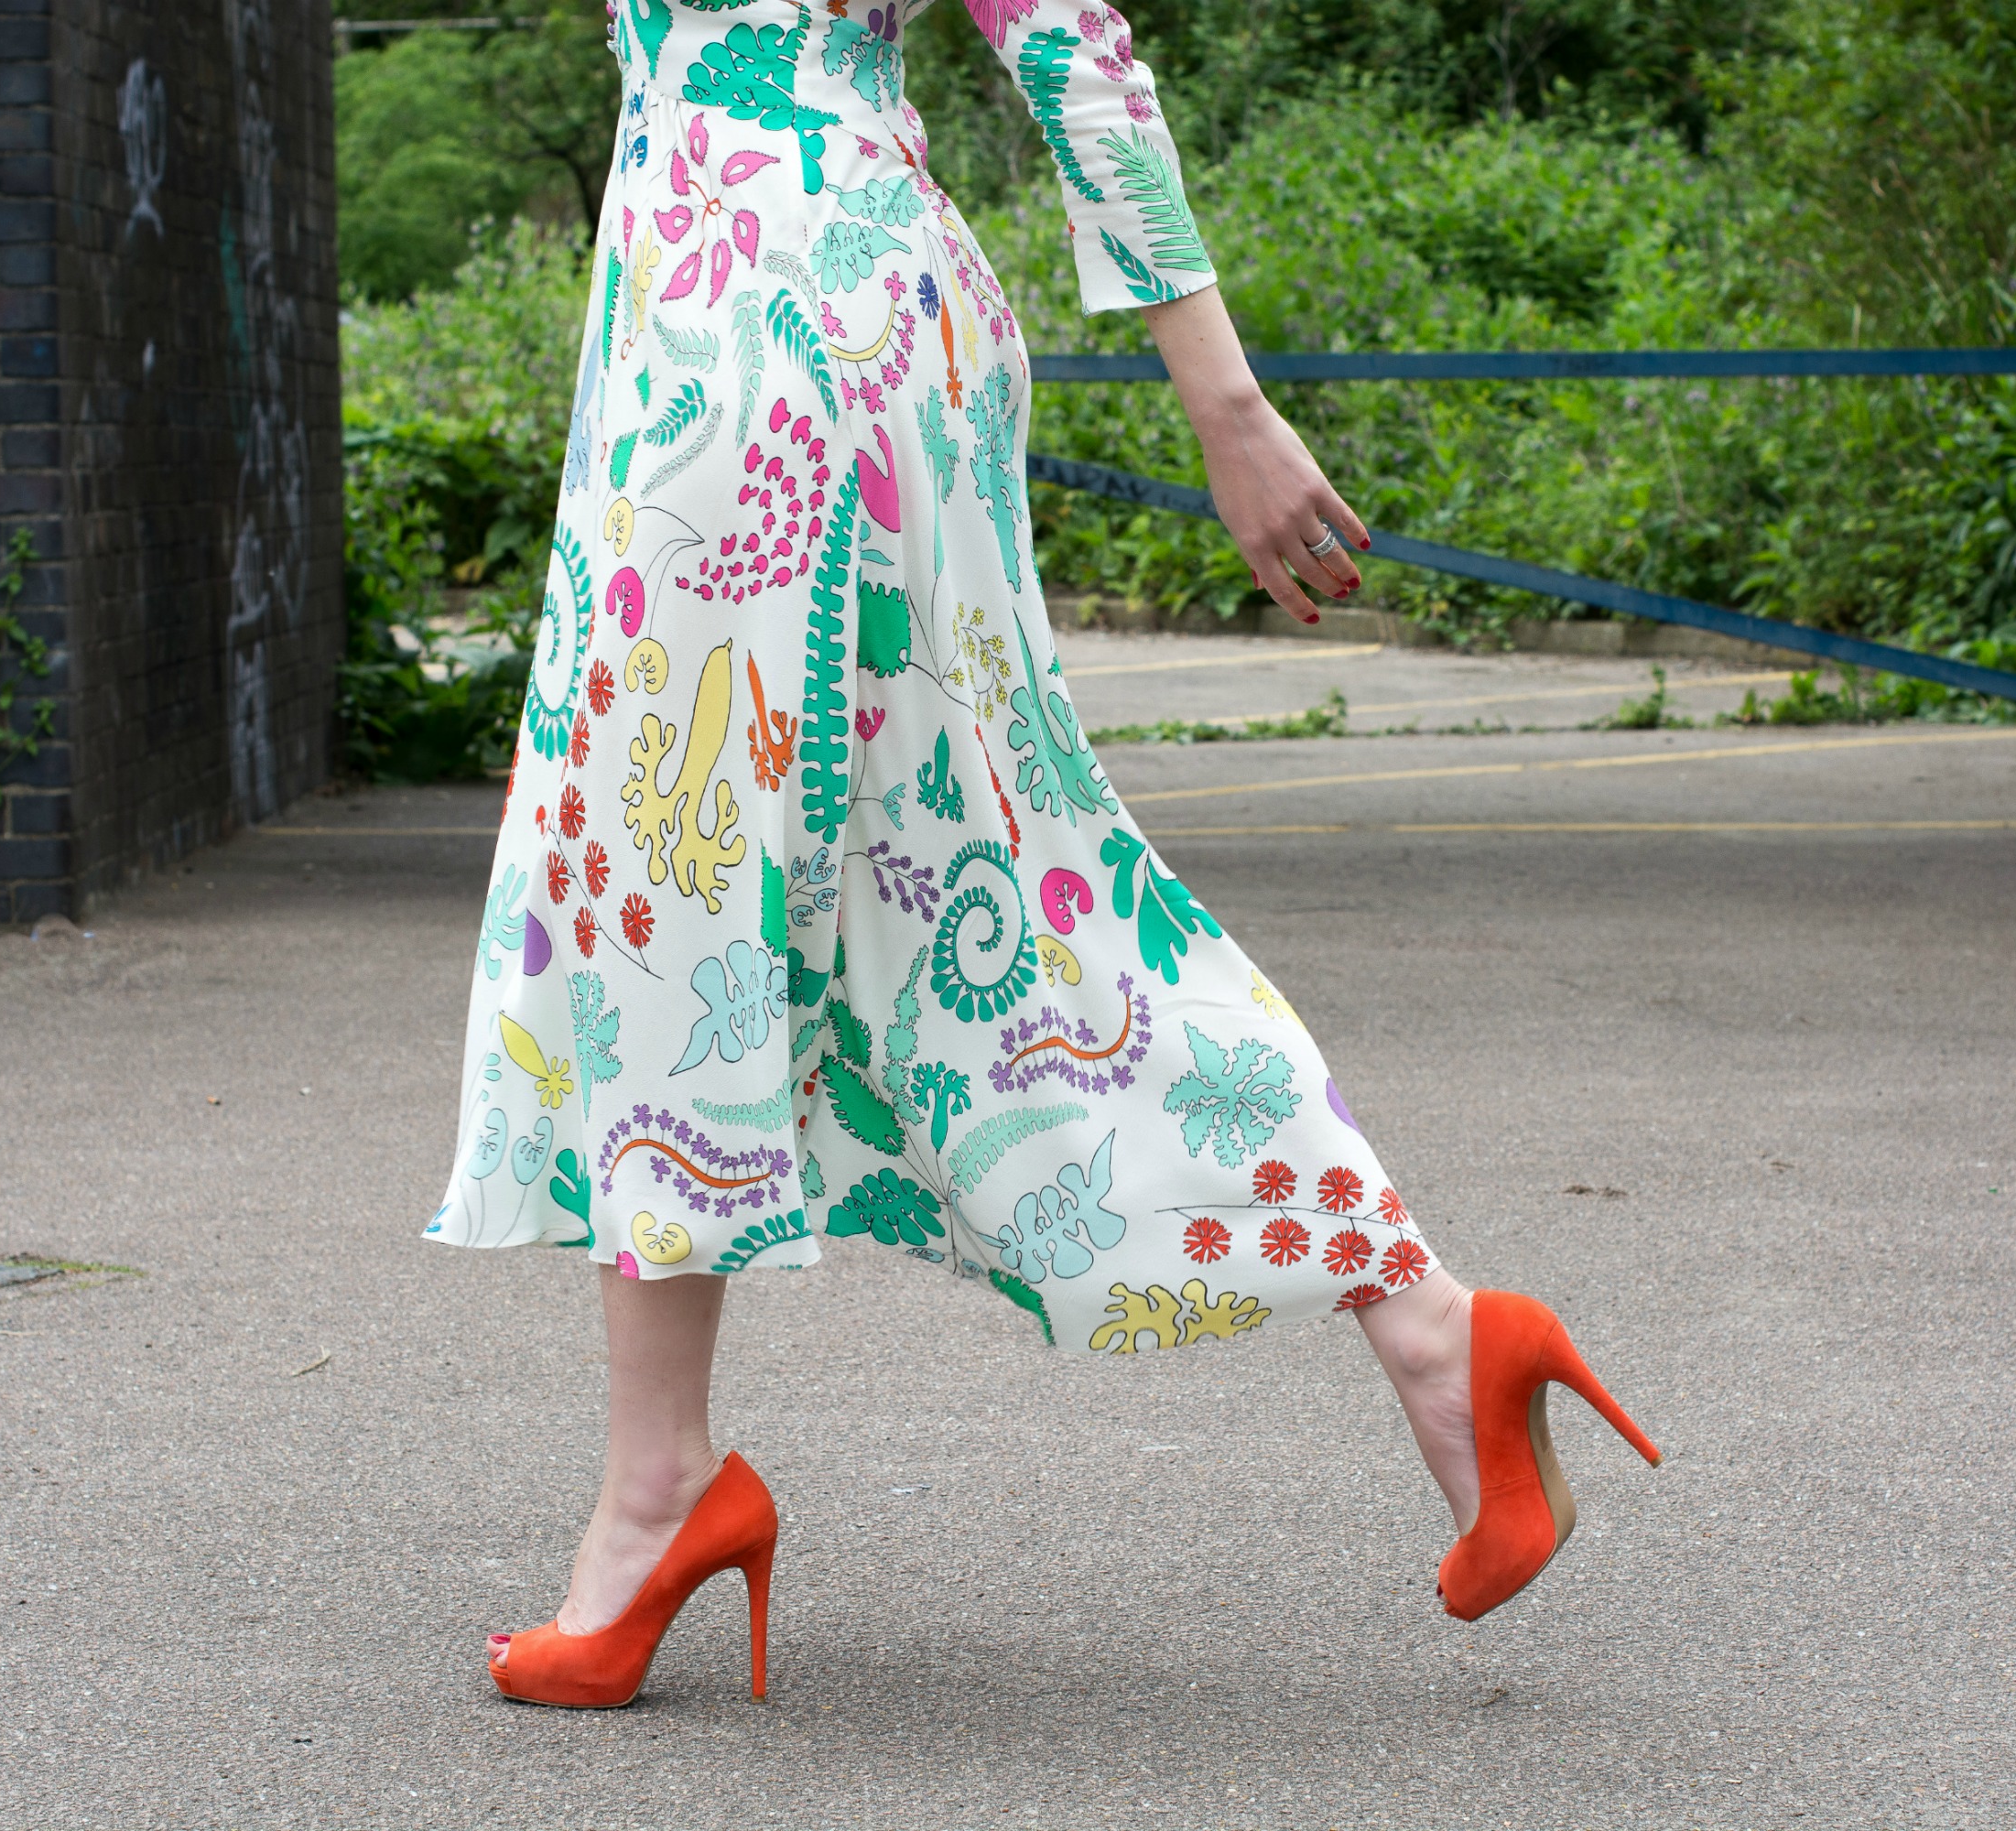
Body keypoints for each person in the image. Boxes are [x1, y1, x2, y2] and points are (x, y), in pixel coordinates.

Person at [428, 0, 1659, 1708]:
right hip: (742, 306)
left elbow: (1070, 39)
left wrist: (1225, 405)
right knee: (944, 879)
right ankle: (1437, 1329)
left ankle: (658, 1495)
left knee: (702, 875)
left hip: (765, 337)